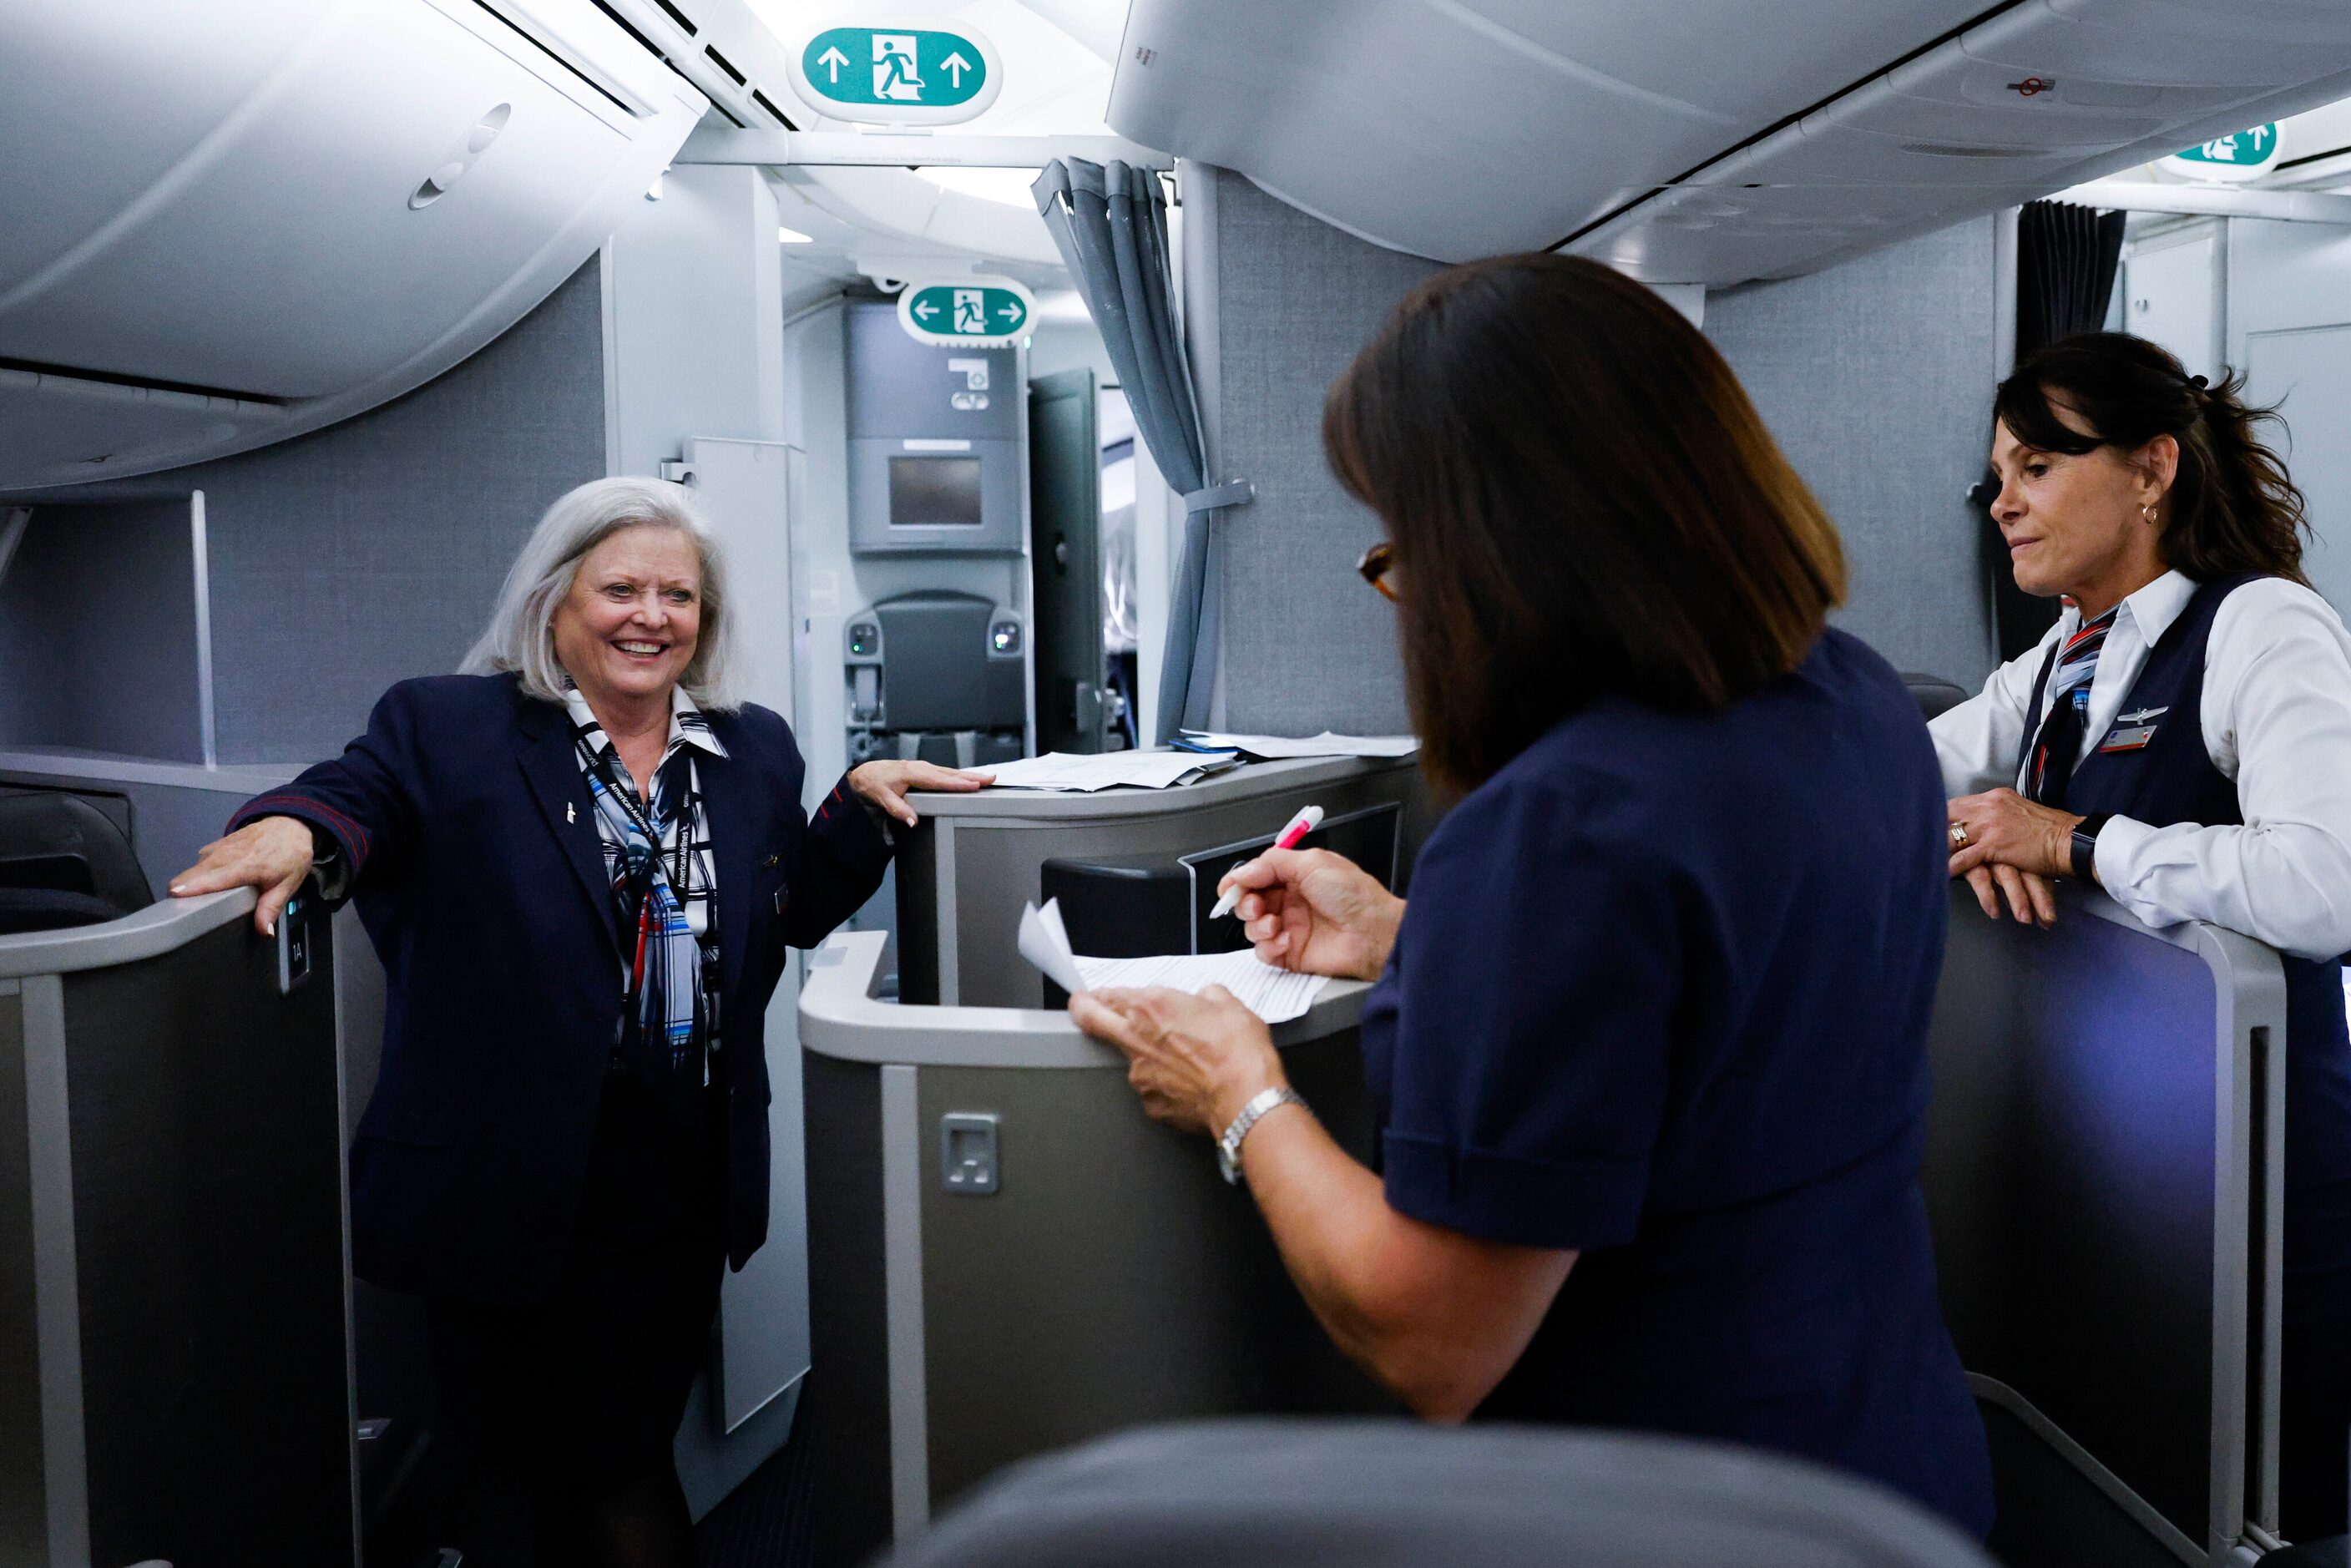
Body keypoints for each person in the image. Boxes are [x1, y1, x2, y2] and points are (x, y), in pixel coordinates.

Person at [1066, 253, 1995, 1535]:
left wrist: (1240, 1089)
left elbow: (1432, 1337)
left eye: (1401, 546)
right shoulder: (1857, 698)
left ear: (1505, 547)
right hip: (1877, 1460)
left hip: (1665, 1504)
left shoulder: (1557, 825)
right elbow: (1723, 1020)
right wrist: (1417, 945)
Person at [169, 477, 989, 1566]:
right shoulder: (450, 725)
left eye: (677, 595)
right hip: (503, 1184)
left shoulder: (752, 750)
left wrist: (855, 805)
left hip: (674, 1191)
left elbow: (779, 909)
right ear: (555, 603)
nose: (651, 615)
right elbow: (356, 798)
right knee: (546, 1475)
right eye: (621, 588)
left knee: (606, 1455)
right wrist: (292, 831)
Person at [1934, 331, 2351, 1538]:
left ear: (2152, 469)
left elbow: (2328, 884)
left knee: (2271, 1511)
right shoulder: (2063, 655)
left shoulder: (2261, 627)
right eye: (1997, 475)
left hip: (2266, 1184)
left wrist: (2073, 841)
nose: (2002, 502)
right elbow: (1906, 776)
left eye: (2038, 465)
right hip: (2135, 1173)